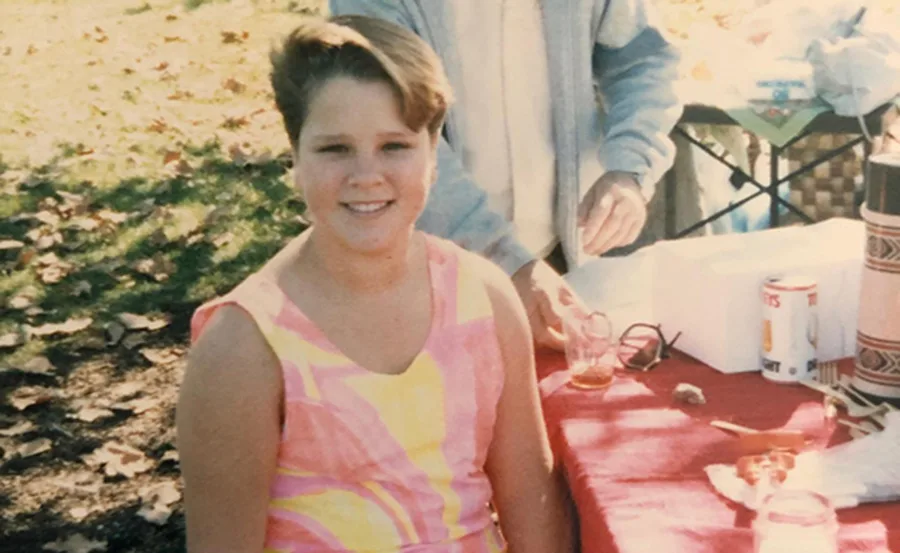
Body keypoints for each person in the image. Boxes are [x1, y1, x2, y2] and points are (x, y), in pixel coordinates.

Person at [176, 14, 572, 553]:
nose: (366, 175)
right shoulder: (242, 348)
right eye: (335, 149)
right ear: (295, 158)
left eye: (394, 146)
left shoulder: (485, 298)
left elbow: (532, 506)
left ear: (434, 158)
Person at [328, 0, 684, 350]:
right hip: (425, 262)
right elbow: (389, 126)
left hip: (562, 254)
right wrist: (506, 258)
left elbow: (643, 59)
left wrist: (630, 169)